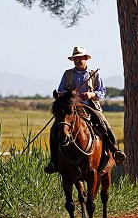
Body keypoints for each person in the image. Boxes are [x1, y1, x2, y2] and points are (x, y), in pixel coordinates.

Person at [44, 46, 126, 174]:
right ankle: (54, 161)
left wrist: (91, 95)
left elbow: (102, 91)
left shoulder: (94, 74)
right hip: (72, 108)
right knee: (55, 129)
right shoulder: (67, 74)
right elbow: (60, 91)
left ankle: (115, 151)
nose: (78, 60)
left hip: (90, 106)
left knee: (104, 124)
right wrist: (70, 94)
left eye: (80, 58)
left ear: (85, 59)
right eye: (75, 58)